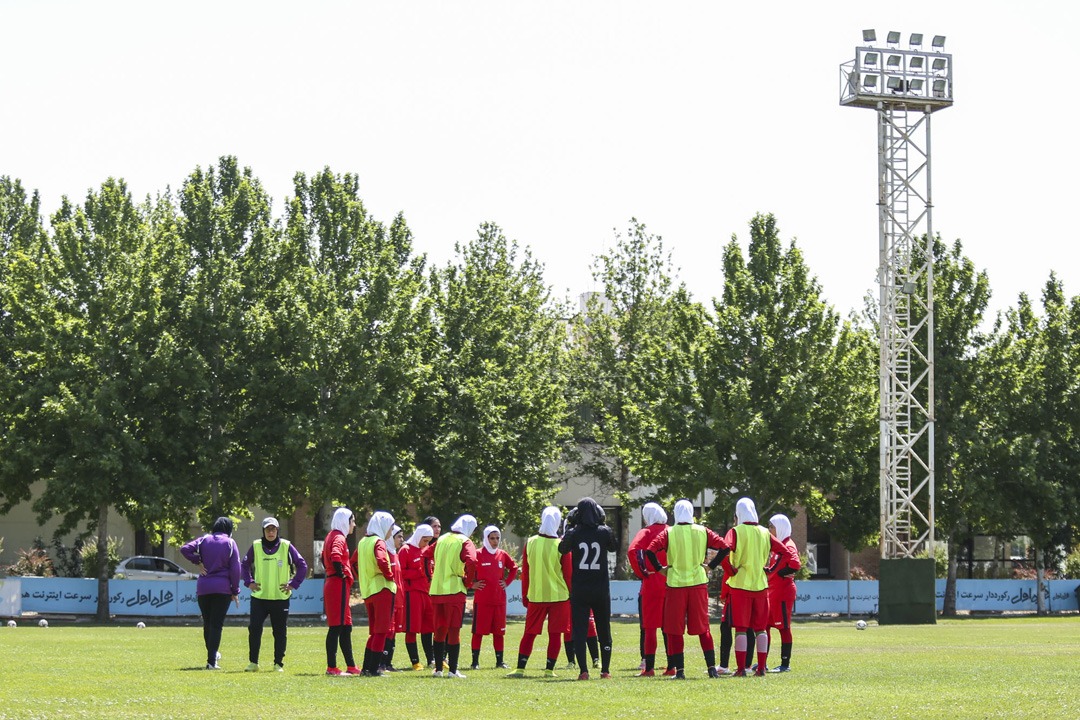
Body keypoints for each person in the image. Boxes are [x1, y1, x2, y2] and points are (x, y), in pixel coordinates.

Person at [645, 500, 727, 679]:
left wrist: (660, 569)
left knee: (674, 630)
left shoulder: (669, 532)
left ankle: (680, 671)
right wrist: (710, 566)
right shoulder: (702, 530)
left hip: (676, 585)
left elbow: (649, 551)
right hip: (698, 584)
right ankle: (712, 669)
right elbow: (724, 547)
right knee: (703, 628)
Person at [720, 497, 800, 677]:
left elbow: (725, 551)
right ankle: (762, 668)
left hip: (740, 586)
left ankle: (741, 669)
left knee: (741, 628)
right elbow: (786, 552)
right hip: (762, 587)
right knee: (761, 629)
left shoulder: (735, 531)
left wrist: (730, 570)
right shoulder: (765, 532)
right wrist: (770, 569)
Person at [506, 506, 573, 679]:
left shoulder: (531, 542)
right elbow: (568, 574)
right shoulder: (561, 544)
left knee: (529, 633)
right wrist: (572, 595)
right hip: (559, 596)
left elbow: (525, 572)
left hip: (536, 595)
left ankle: (520, 668)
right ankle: (549, 670)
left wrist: (525, 595)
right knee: (555, 634)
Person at [559, 497, 617, 680]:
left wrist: (569, 529)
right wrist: (604, 525)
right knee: (603, 629)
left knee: (580, 630)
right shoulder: (604, 531)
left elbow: (562, 549)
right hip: (600, 588)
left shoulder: (574, 532)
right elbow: (614, 547)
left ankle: (583, 670)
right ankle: (605, 670)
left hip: (580, 589)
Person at [240, 516, 308, 672]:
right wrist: (248, 582)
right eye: (267, 529)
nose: (270, 532)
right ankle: (253, 663)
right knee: (254, 629)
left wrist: (293, 584)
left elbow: (302, 565)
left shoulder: (286, 546)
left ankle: (278, 663)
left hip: (280, 597)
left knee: (279, 632)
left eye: (273, 529)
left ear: (277, 530)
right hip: (259, 597)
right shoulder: (256, 546)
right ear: (263, 531)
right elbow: (244, 564)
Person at [181, 516, 242, 670]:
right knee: (216, 625)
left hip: (203, 588)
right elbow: (235, 569)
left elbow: (184, 549)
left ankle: (212, 655)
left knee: (207, 624)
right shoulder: (229, 542)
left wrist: (198, 561)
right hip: (222, 589)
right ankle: (211, 661)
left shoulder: (203, 540)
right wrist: (235, 590)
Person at [426, 514, 478, 678]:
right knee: (454, 631)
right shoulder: (464, 541)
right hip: (455, 591)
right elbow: (472, 561)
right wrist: (468, 582)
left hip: (437, 591)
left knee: (439, 631)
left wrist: (430, 577)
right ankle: (453, 671)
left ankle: (439, 669)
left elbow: (425, 555)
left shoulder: (441, 539)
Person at [628, 502, 672, 677]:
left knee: (650, 627)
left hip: (652, 581)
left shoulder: (646, 532)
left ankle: (649, 667)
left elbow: (632, 551)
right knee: (670, 628)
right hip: (671, 581)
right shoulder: (671, 530)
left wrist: (642, 572)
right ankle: (672, 666)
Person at [470, 525, 518, 670]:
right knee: (478, 632)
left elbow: (514, 568)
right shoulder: (477, 554)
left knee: (499, 632)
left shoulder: (502, 554)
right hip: (482, 600)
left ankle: (499, 661)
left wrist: (507, 582)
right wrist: (472, 584)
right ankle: (475, 662)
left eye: (497, 538)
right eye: (492, 538)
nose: (495, 541)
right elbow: (466, 570)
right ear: (485, 538)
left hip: (499, 600)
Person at [356, 511, 397, 677]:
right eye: (391, 526)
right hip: (382, 590)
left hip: (368, 591)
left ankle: (366, 668)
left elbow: (353, 563)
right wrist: (389, 575)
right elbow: (381, 559)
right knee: (381, 631)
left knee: (374, 632)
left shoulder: (363, 541)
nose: (391, 531)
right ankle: (373, 670)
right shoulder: (378, 542)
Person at [321, 507, 360, 676]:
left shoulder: (332, 535)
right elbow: (335, 556)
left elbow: (323, 557)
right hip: (337, 584)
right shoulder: (338, 537)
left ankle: (351, 666)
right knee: (336, 626)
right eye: (352, 521)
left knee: (346, 626)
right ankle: (332, 667)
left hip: (335, 583)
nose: (354, 525)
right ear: (345, 522)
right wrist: (342, 574)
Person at [766, 513, 799, 673]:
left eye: (772, 527)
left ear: (780, 528)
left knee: (783, 628)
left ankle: (785, 664)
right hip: (773, 592)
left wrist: (779, 574)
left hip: (783, 592)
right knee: (764, 625)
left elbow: (795, 564)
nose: (769, 529)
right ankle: (762, 662)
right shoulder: (778, 544)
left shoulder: (788, 544)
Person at [398, 523, 435, 670]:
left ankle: (431, 659)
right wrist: (419, 572)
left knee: (428, 627)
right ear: (418, 536)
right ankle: (415, 661)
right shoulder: (405, 550)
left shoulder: (427, 551)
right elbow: (401, 573)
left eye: (429, 541)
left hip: (427, 593)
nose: (426, 544)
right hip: (412, 593)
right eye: (425, 540)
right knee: (412, 628)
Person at [381, 524, 406, 672]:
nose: (401, 540)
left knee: (394, 632)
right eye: (399, 536)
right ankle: (382, 663)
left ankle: (389, 663)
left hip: (399, 600)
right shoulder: (385, 554)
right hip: (390, 599)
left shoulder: (395, 554)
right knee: (388, 631)